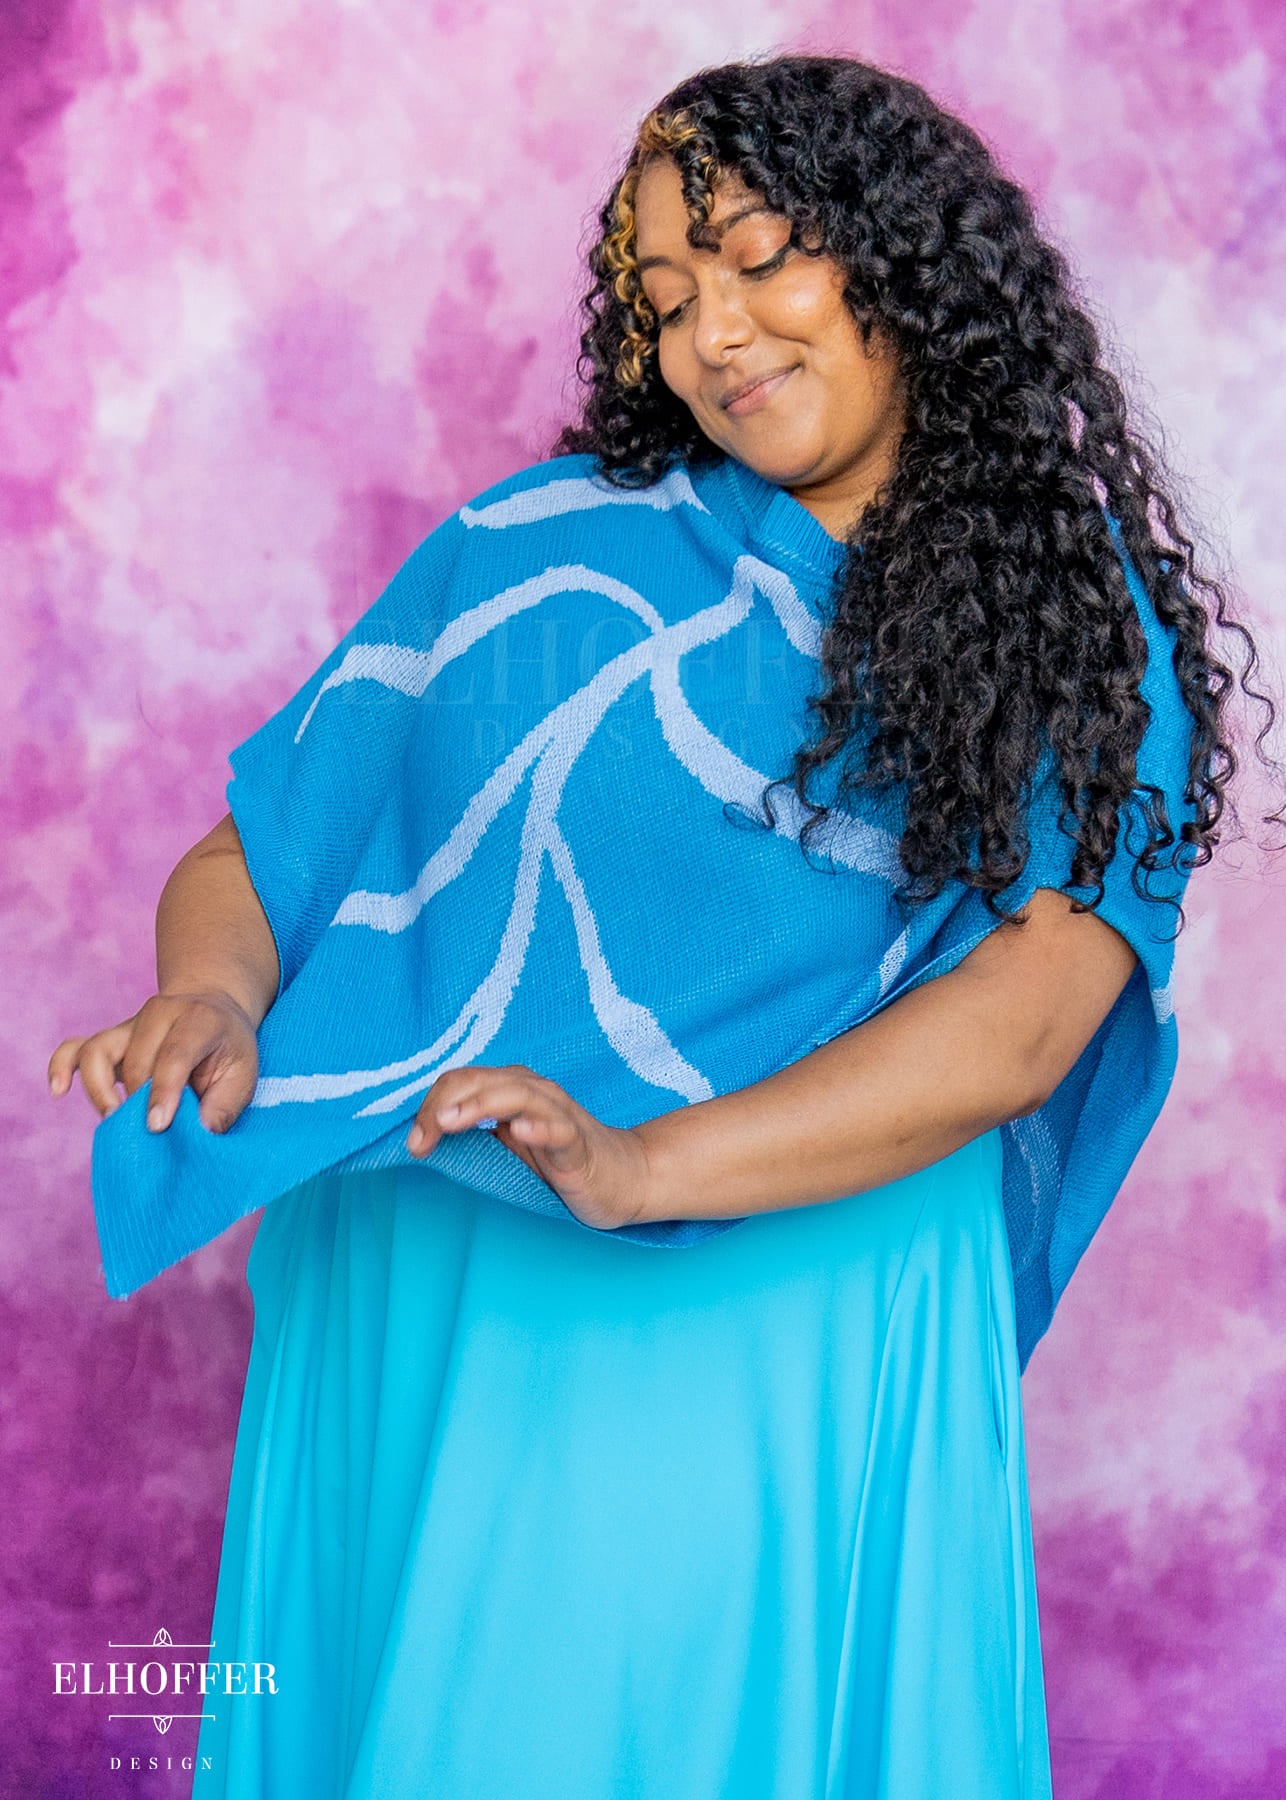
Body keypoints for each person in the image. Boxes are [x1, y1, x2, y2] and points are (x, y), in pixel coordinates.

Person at [49, 53, 1272, 1800]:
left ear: (901, 255)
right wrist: (215, 996)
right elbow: (263, 850)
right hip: (447, 1264)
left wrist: (641, 1167)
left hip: (793, 1283)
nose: (714, 332)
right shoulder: (538, 555)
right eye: (664, 295)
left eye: (759, 257)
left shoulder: (1071, 622)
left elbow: (1024, 1017)